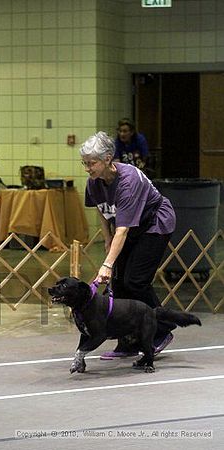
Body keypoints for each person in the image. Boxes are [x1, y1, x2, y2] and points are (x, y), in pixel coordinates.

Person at [80, 131, 176, 360]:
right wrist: (106, 239)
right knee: (120, 284)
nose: (87, 168)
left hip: (154, 223)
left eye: (91, 163)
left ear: (107, 159)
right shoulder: (93, 182)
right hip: (130, 227)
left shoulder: (128, 180)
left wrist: (106, 264)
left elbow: (122, 230)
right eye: (84, 163)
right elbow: (102, 210)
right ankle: (129, 341)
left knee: (135, 280)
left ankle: (161, 332)